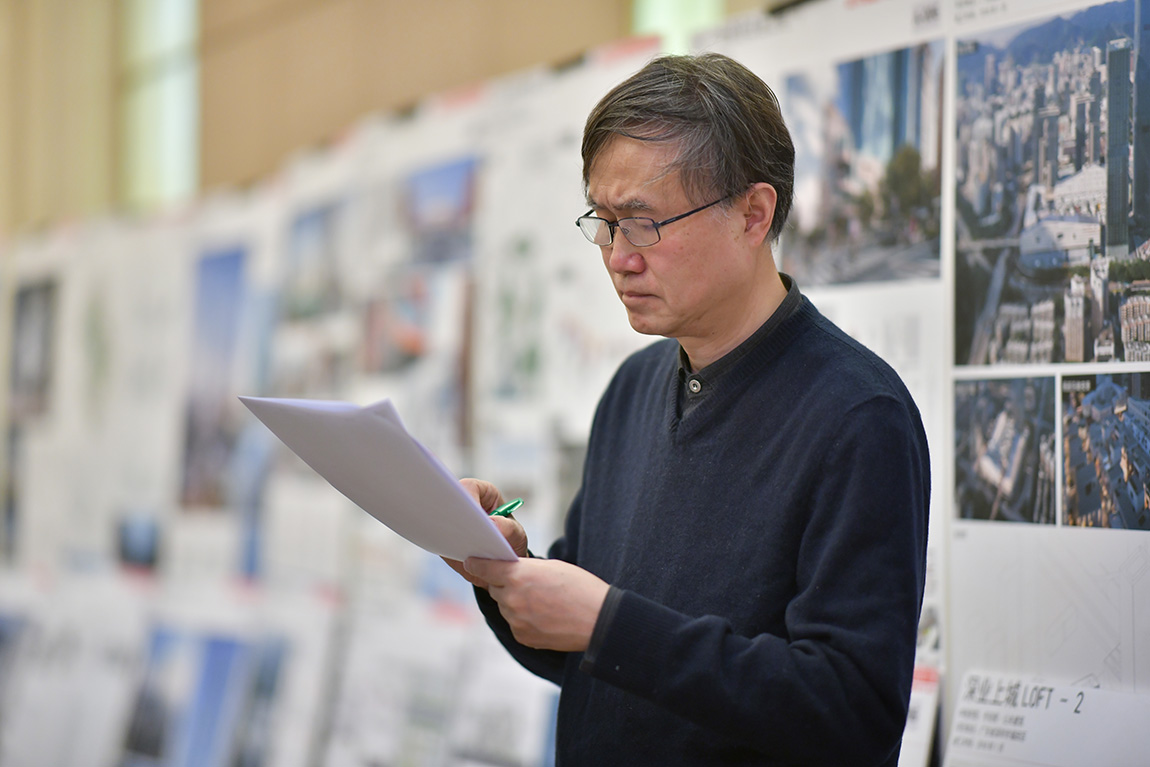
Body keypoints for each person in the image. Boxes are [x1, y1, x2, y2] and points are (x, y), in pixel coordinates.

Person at [444, 52, 931, 766]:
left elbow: (852, 714)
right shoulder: (632, 389)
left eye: (643, 222)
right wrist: (504, 569)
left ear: (753, 214)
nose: (618, 256)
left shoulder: (858, 416)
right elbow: (589, 661)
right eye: (604, 221)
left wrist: (610, 625)